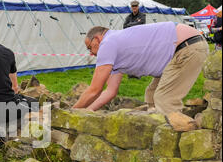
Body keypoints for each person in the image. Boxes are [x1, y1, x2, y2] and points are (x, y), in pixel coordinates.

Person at [73, 22, 209, 116]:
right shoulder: (116, 43)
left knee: (165, 99)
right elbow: (110, 91)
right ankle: (158, 130)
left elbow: (95, 89)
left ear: (97, 38)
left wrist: (72, 111)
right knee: (151, 94)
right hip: (185, 46)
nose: (91, 53)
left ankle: (180, 146)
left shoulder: (108, 43)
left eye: (90, 47)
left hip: (187, 47)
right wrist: (89, 110)